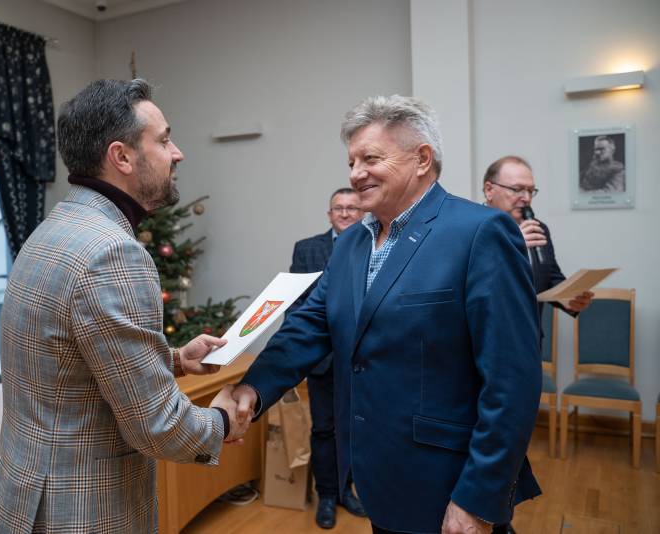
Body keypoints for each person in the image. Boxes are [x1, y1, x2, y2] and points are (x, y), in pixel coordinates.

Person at [230, 95, 542, 533]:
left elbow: (512, 381)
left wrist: (478, 498)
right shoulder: (350, 243)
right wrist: (253, 387)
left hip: (448, 482)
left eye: (371, 158)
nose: (356, 173)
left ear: (422, 159)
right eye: (351, 161)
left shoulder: (480, 232)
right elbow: (311, 325)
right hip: (376, 472)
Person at [0, 79, 247, 534]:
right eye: (164, 140)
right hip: (77, 513)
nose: (177, 153)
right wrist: (223, 419)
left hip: (20, 504)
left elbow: (70, 366)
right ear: (121, 157)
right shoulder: (113, 253)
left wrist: (175, 360)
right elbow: (159, 426)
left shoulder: (53, 228)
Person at [288, 188, 367, 529]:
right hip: (322, 360)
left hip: (362, 361)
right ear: (329, 214)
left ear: (363, 213)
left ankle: (348, 490)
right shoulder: (307, 249)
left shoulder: (375, 245)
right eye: (339, 208)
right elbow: (295, 304)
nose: (345, 213)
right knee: (324, 429)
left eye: (352, 208)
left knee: (354, 429)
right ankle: (327, 496)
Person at [483, 156, 593, 321]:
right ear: (489, 190)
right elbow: (473, 285)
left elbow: (549, 277)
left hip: (532, 333)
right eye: (517, 189)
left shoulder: (537, 228)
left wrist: (570, 299)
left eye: (530, 190)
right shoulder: (470, 228)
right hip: (490, 333)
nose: (526, 198)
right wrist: (512, 247)